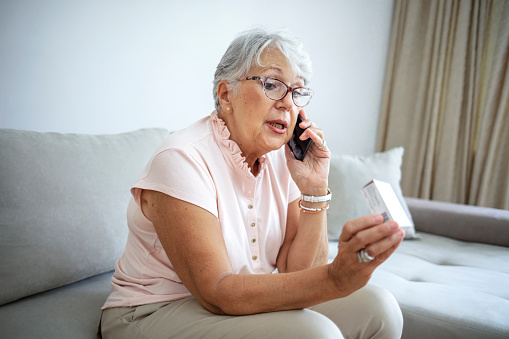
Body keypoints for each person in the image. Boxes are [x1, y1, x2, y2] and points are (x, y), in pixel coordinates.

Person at [100, 28, 405, 339]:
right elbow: (217, 291)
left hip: (237, 303)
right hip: (153, 311)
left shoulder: (281, 159)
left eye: (297, 92)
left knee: (380, 309)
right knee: (314, 333)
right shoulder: (182, 158)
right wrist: (335, 279)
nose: (289, 104)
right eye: (272, 85)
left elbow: (298, 275)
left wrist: (314, 190)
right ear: (225, 94)